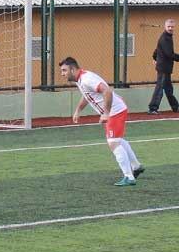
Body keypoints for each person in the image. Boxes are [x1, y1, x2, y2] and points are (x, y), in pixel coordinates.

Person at [59, 57, 144, 186]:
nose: (62, 74)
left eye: (64, 70)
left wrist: (106, 113)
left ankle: (129, 177)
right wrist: (78, 110)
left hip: (115, 111)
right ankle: (136, 166)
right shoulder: (81, 79)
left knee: (113, 143)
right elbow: (87, 95)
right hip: (115, 109)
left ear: (72, 69)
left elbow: (107, 91)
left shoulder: (86, 79)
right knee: (117, 140)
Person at [148, 18, 179, 112]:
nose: (170, 28)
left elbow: (157, 50)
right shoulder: (165, 38)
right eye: (168, 26)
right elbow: (169, 54)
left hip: (166, 67)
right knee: (160, 88)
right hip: (163, 68)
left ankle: (175, 106)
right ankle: (153, 108)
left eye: (172, 27)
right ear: (165, 27)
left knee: (168, 88)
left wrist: (154, 58)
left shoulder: (167, 37)